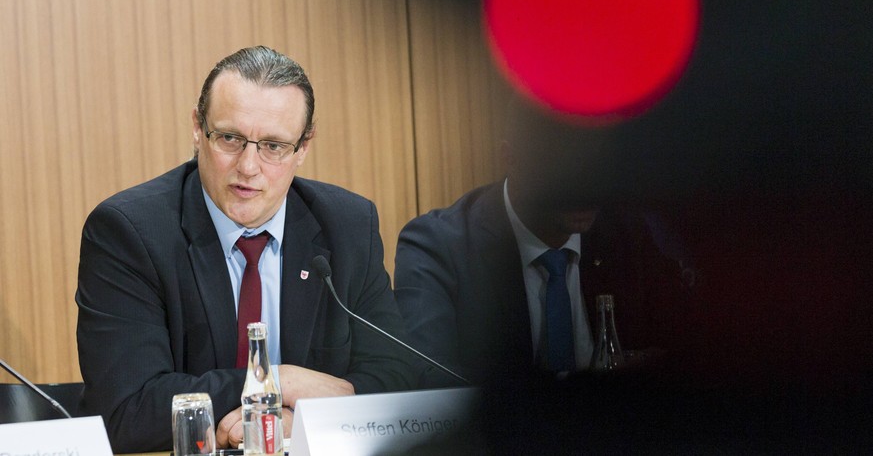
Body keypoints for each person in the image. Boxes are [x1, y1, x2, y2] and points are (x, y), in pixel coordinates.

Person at [76, 46, 412, 452]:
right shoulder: (130, 233)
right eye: (231, 138)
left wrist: (291, 421)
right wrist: (276, 382)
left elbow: (396, 379)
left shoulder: (348, 227)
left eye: (273, 146)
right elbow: (129, 410)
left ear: (303, 147)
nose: (249, 167)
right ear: (198, 128)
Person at [393, 100, 695, 389]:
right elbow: (430, 377)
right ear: (510, 158)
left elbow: (688, 345)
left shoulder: (625, 233)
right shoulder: (438, 246)